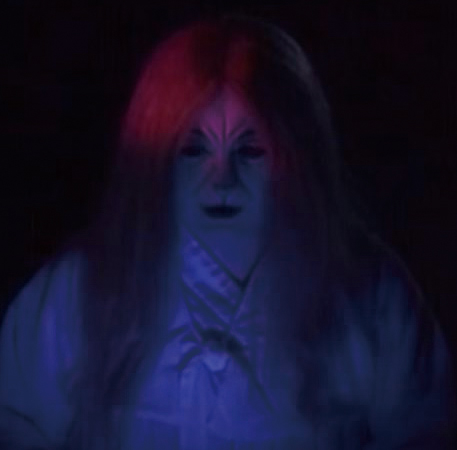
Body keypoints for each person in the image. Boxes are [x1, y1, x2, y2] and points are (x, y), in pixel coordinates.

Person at [0, 13, 455, 450]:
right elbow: (14, 420)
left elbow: (427, 429)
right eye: (193, 150)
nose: (221, 179)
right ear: (152, 160)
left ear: (296, 158)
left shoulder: (369, 294)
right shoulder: (80, 290)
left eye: (251, 151)